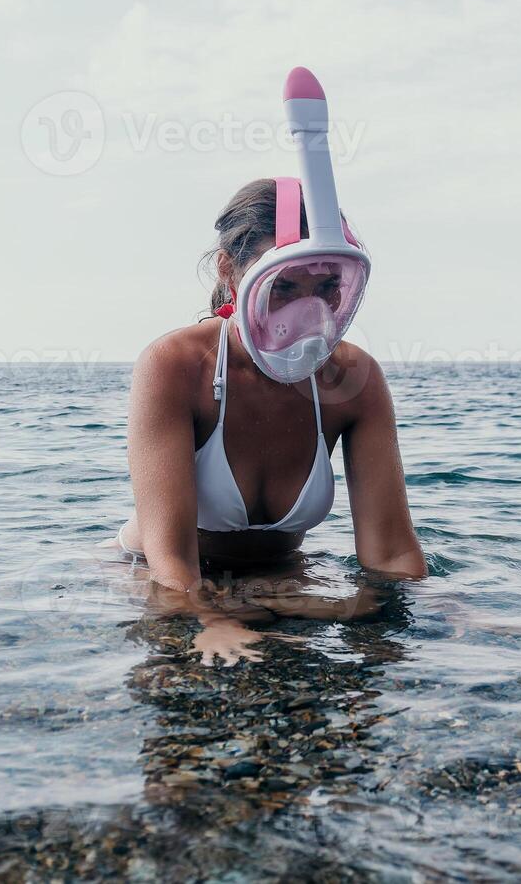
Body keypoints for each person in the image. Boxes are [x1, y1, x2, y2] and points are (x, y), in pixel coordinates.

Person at [115, 69, 425, 665]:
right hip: (159, 579)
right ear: (233, 275)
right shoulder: (175, 367)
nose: (307, 317)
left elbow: (389, 555)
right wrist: (206, 620)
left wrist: (451, 619)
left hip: (284, 583)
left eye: (327, 288)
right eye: (285, 288)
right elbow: (170, 566)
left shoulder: (353, 384)